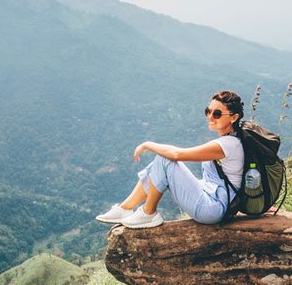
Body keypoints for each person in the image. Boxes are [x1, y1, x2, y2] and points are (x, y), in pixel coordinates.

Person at [96, 90, 245, 229]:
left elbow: (177, 155)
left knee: (164, 159)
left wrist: (148, 144)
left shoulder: (228, 145)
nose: (210, 117)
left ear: (234, 117)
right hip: (212, 197)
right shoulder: (233, 140)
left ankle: (149, 213)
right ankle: (125, 208)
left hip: (212, 208)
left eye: (217, 113)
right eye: (208, 111)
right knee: (159, 165)